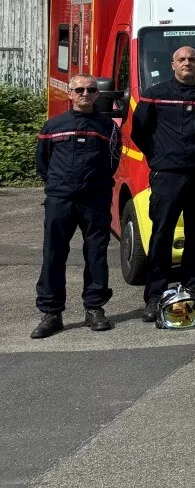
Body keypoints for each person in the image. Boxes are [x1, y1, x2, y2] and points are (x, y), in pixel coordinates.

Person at [132, 46, 195, 320]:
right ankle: (155, 295)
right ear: (172, 64)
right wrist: (159, 156)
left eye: (191, 59)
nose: (187, 63)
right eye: (181, 59)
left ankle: (194, 289)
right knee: (162, 234)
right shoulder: (155, 95)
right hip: (168, 174)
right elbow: (139, 131)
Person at [31, 73, 122, 338]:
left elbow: (112, 161)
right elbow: (43, 163)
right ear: (70, 93)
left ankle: (94, 308)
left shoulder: (109, 128)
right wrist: (58, 185)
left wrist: (97, 184)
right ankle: (51, 313)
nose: (85, 94)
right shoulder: (53, 126)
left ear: (97, 94)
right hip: (61, 199)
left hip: (95, 198)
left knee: (96, 254)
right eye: (79, 89)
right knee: (53, 254)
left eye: (91, 89)